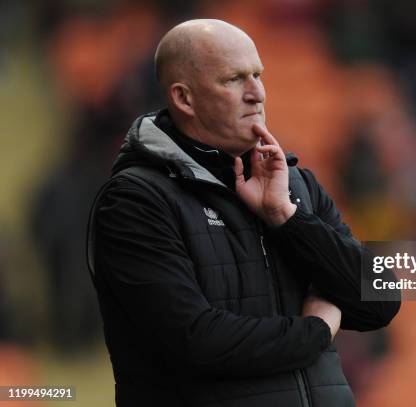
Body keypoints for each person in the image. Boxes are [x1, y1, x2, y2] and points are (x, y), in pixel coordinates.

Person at [87, 19, 400, 407]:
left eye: (258, 75)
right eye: (235, 79)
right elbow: (197, 341)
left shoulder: (296, 186)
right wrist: (317, 330)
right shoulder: (136, 200)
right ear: (184, 99)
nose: (257, 93)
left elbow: (379, 300)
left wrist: (287, 218)